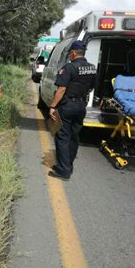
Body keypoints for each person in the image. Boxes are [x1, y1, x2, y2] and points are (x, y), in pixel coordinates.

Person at [48, 40, 97, 180]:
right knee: (74, 137)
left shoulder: (69, 68)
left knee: (62, 137)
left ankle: (64, 171)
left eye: (70, 53)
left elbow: (61, 89)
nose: (69, 56)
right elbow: (92, 87)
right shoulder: (92, 68)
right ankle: (67, 165)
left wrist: (52, 106)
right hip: (81, 106)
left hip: (67, 106)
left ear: (74, 53)